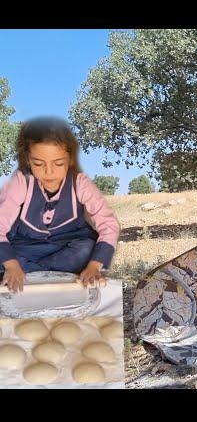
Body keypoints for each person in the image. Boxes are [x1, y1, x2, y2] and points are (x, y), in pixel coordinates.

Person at [0, 117, 121, 293]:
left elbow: (109, 225)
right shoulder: (21, 182)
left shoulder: (80, 183)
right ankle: (39, 274)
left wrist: (95, 265)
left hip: (67, 248)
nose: (49, 171)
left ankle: (30, 275)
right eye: (38, 163)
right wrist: (11, 264)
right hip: (25, 248)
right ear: (27, 160)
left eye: (58, 163)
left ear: (70, 159)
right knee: (6, 257)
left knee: (86, 250)